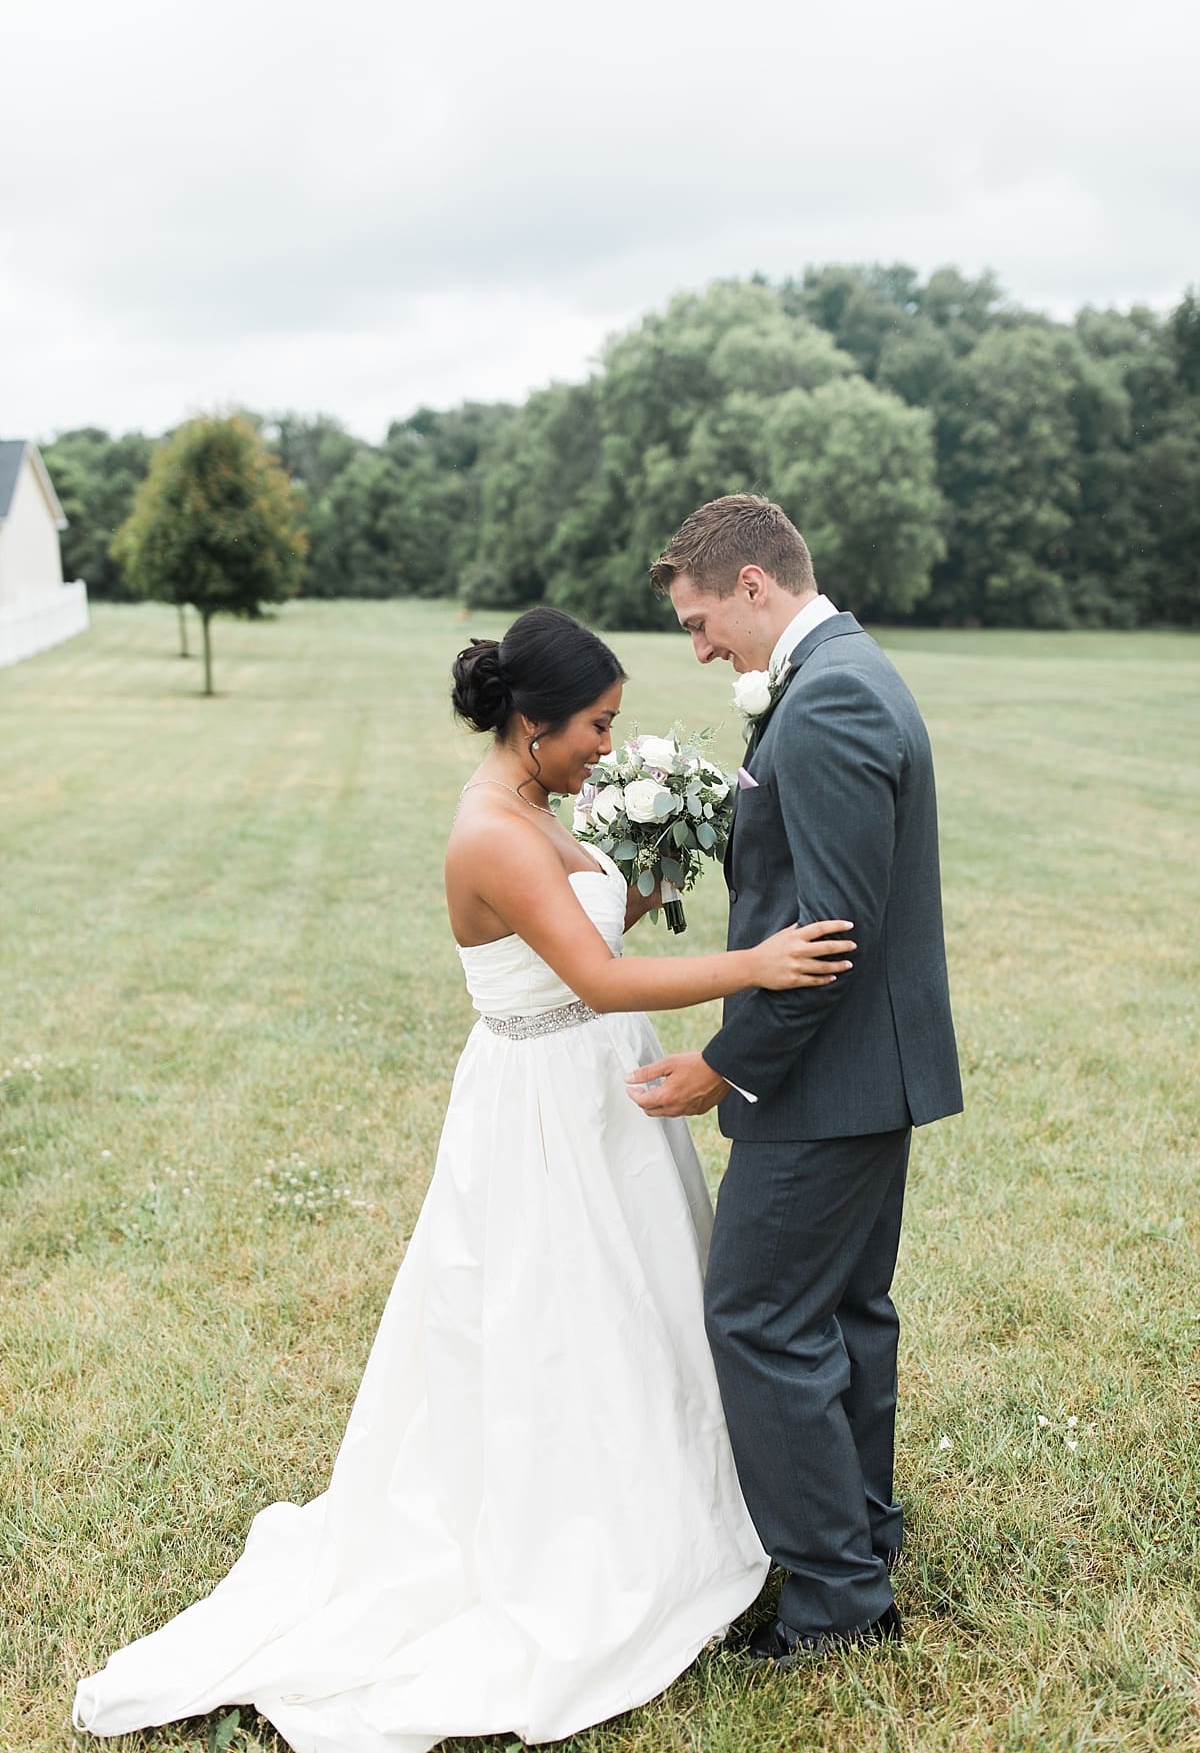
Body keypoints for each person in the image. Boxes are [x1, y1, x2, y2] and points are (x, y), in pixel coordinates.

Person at [73, 604, 857, 1753]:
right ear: (531, 724)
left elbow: (598, 920)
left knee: (641, 1310)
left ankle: (685, 1506)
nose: (606, 746)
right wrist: (757, 964)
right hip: (544, 1106)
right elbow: (594, 972)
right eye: (596, 726)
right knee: (559, 1322)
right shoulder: (488, 830)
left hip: (602, 1090)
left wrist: (660, 846)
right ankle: (586, 1540)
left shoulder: (537, 803)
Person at [628, 495, 962, 1665]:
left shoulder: (825, 705)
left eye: (701, 618)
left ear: (757, 584)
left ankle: (836, 1602)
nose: (701, 644)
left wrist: (722, 1069)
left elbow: (825, 944)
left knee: (758, 1318)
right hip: (873, 1073)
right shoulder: (848, 674)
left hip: (824, 1079)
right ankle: (860, 1529)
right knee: (844, 1312)